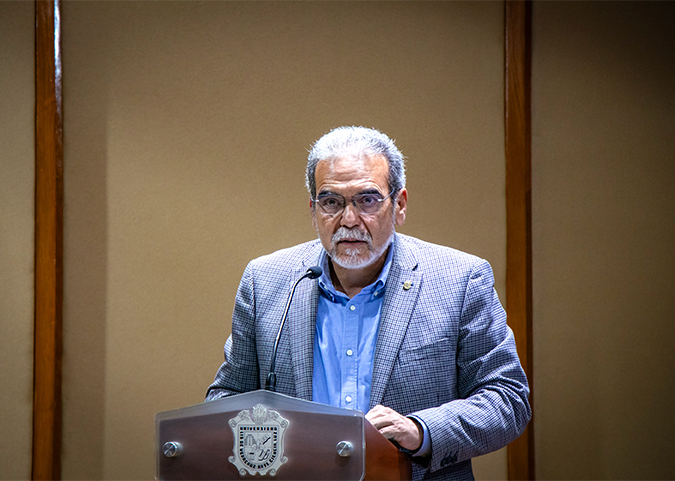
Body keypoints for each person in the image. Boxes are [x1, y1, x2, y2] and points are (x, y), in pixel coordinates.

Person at [206, 126, 531, 480]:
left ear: (400, 205)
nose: (349, 219)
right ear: (313, 209)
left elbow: (508, 398)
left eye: (367, 200)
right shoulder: (266, 280)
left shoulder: (459, 280)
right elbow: (229, 395)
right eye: (331, 202)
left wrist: (420, 431)